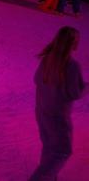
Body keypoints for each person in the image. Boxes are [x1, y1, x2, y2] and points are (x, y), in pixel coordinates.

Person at [30, 26, 85, 180]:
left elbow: (36, 80)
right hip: (58, 116)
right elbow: (75, 93)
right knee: (62, 151)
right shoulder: (72, 66)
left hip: (41, 111)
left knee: (49, 147)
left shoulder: (47, 59)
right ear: (73, 43)